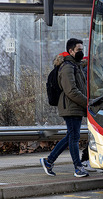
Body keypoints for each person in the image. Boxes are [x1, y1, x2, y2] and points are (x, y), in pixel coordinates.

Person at [40, 38, 89, 178]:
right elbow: (71, 91)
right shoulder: (68, 67)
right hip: (70, 106)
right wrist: (87, 102)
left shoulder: (76, 65)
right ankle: (78, 167)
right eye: (78, 50)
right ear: (71, 51)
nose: (81, 52)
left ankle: (49, 161)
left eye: (82, 49)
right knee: (74, 137)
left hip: (75, 106)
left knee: (71, 136)